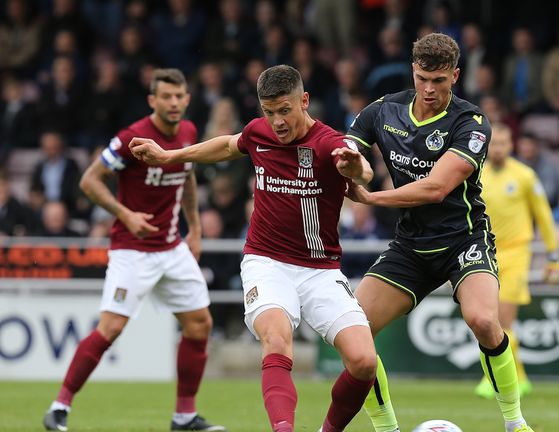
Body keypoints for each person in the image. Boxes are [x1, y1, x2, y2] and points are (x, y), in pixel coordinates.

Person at [129, 65, 378, 432]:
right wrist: (170, 156)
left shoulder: (328, 143)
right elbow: (229, 145)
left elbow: (363, 171)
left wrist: (357, 167)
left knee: (364, 362)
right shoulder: (258, 133)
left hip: (321, 269)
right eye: (269, 111)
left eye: (284, 110)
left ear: (304, 101)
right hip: (266, 262)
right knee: (276, 339)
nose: (276, 121)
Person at [344, 33, 536, 432]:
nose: (429, 90)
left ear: (455, 76)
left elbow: (435, 188)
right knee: (353, 330)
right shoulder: (383, 110)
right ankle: (387, 428)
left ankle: (515, 422)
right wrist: (349, 164)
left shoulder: (473, 123)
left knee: (483, 320)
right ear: (412, 72)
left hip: (463, 239)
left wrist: (370, 197)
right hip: (410, 246)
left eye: (439, 81)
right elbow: (347, 150)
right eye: (422, 79)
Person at [43, 69, 226, 432]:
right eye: (166, 97)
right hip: (133, 250)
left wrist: (196, 229)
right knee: (110, 328)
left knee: (199, 324)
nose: (174, 103)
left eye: (179, 96)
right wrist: (125, 215)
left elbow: (186, 176)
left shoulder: (188, 133)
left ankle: (184, 416)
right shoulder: (131, 137)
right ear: (152, 101)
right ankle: (59, 407)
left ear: (187, 99)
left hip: (172, 247)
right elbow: (89, 180)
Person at [473, 123, 559, 400]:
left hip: (515, 253)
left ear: (511, 145)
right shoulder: (477, 174)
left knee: (500, 320)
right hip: (484, 252)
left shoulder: (525, 176)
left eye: (503, 142)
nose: (498, 148)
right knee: (487, 320)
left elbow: (544, 215)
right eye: (494, 143)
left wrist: (554, 256)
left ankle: (493, 379)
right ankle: (520, 378)